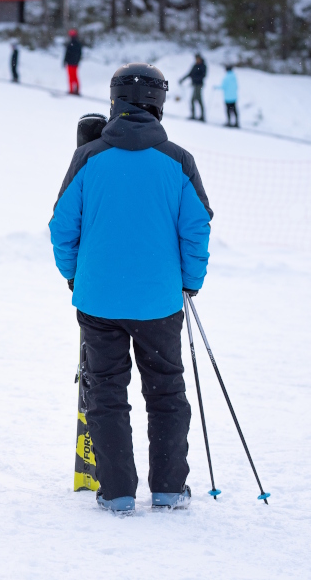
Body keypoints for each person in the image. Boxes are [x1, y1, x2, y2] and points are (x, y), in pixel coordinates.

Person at [49, 62, 212, 514]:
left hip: (99, 299)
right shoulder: (178, 161)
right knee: (165, 392)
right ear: (158, 104)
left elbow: (63, 226)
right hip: (159, 301)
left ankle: (117, 493)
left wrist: (74, 276)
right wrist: (190, 282)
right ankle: (168, 489)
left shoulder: (89, 157)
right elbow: (196, 227)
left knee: (105, 392)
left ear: (114, 101)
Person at [180, 53, 207, 121]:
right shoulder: (195, 65)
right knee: (195, 99)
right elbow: (190, 73)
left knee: (197, 99)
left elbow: (203, 75)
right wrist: (182, 79)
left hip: (199, 85)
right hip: (195, 84)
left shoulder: (203, 66)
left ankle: (201, 116)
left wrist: (195, 78)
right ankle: (194, 115)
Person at [63, 29, 82, 95]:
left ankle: (72, 90)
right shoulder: (78, 44)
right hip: (75, 63)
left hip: (71, 63)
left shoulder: (70, 44)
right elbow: (80, 54)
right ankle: (76, 90)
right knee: (75, 77)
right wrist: (77, 61)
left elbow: (67, 54)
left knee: (71, 77)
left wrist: (65, 61)